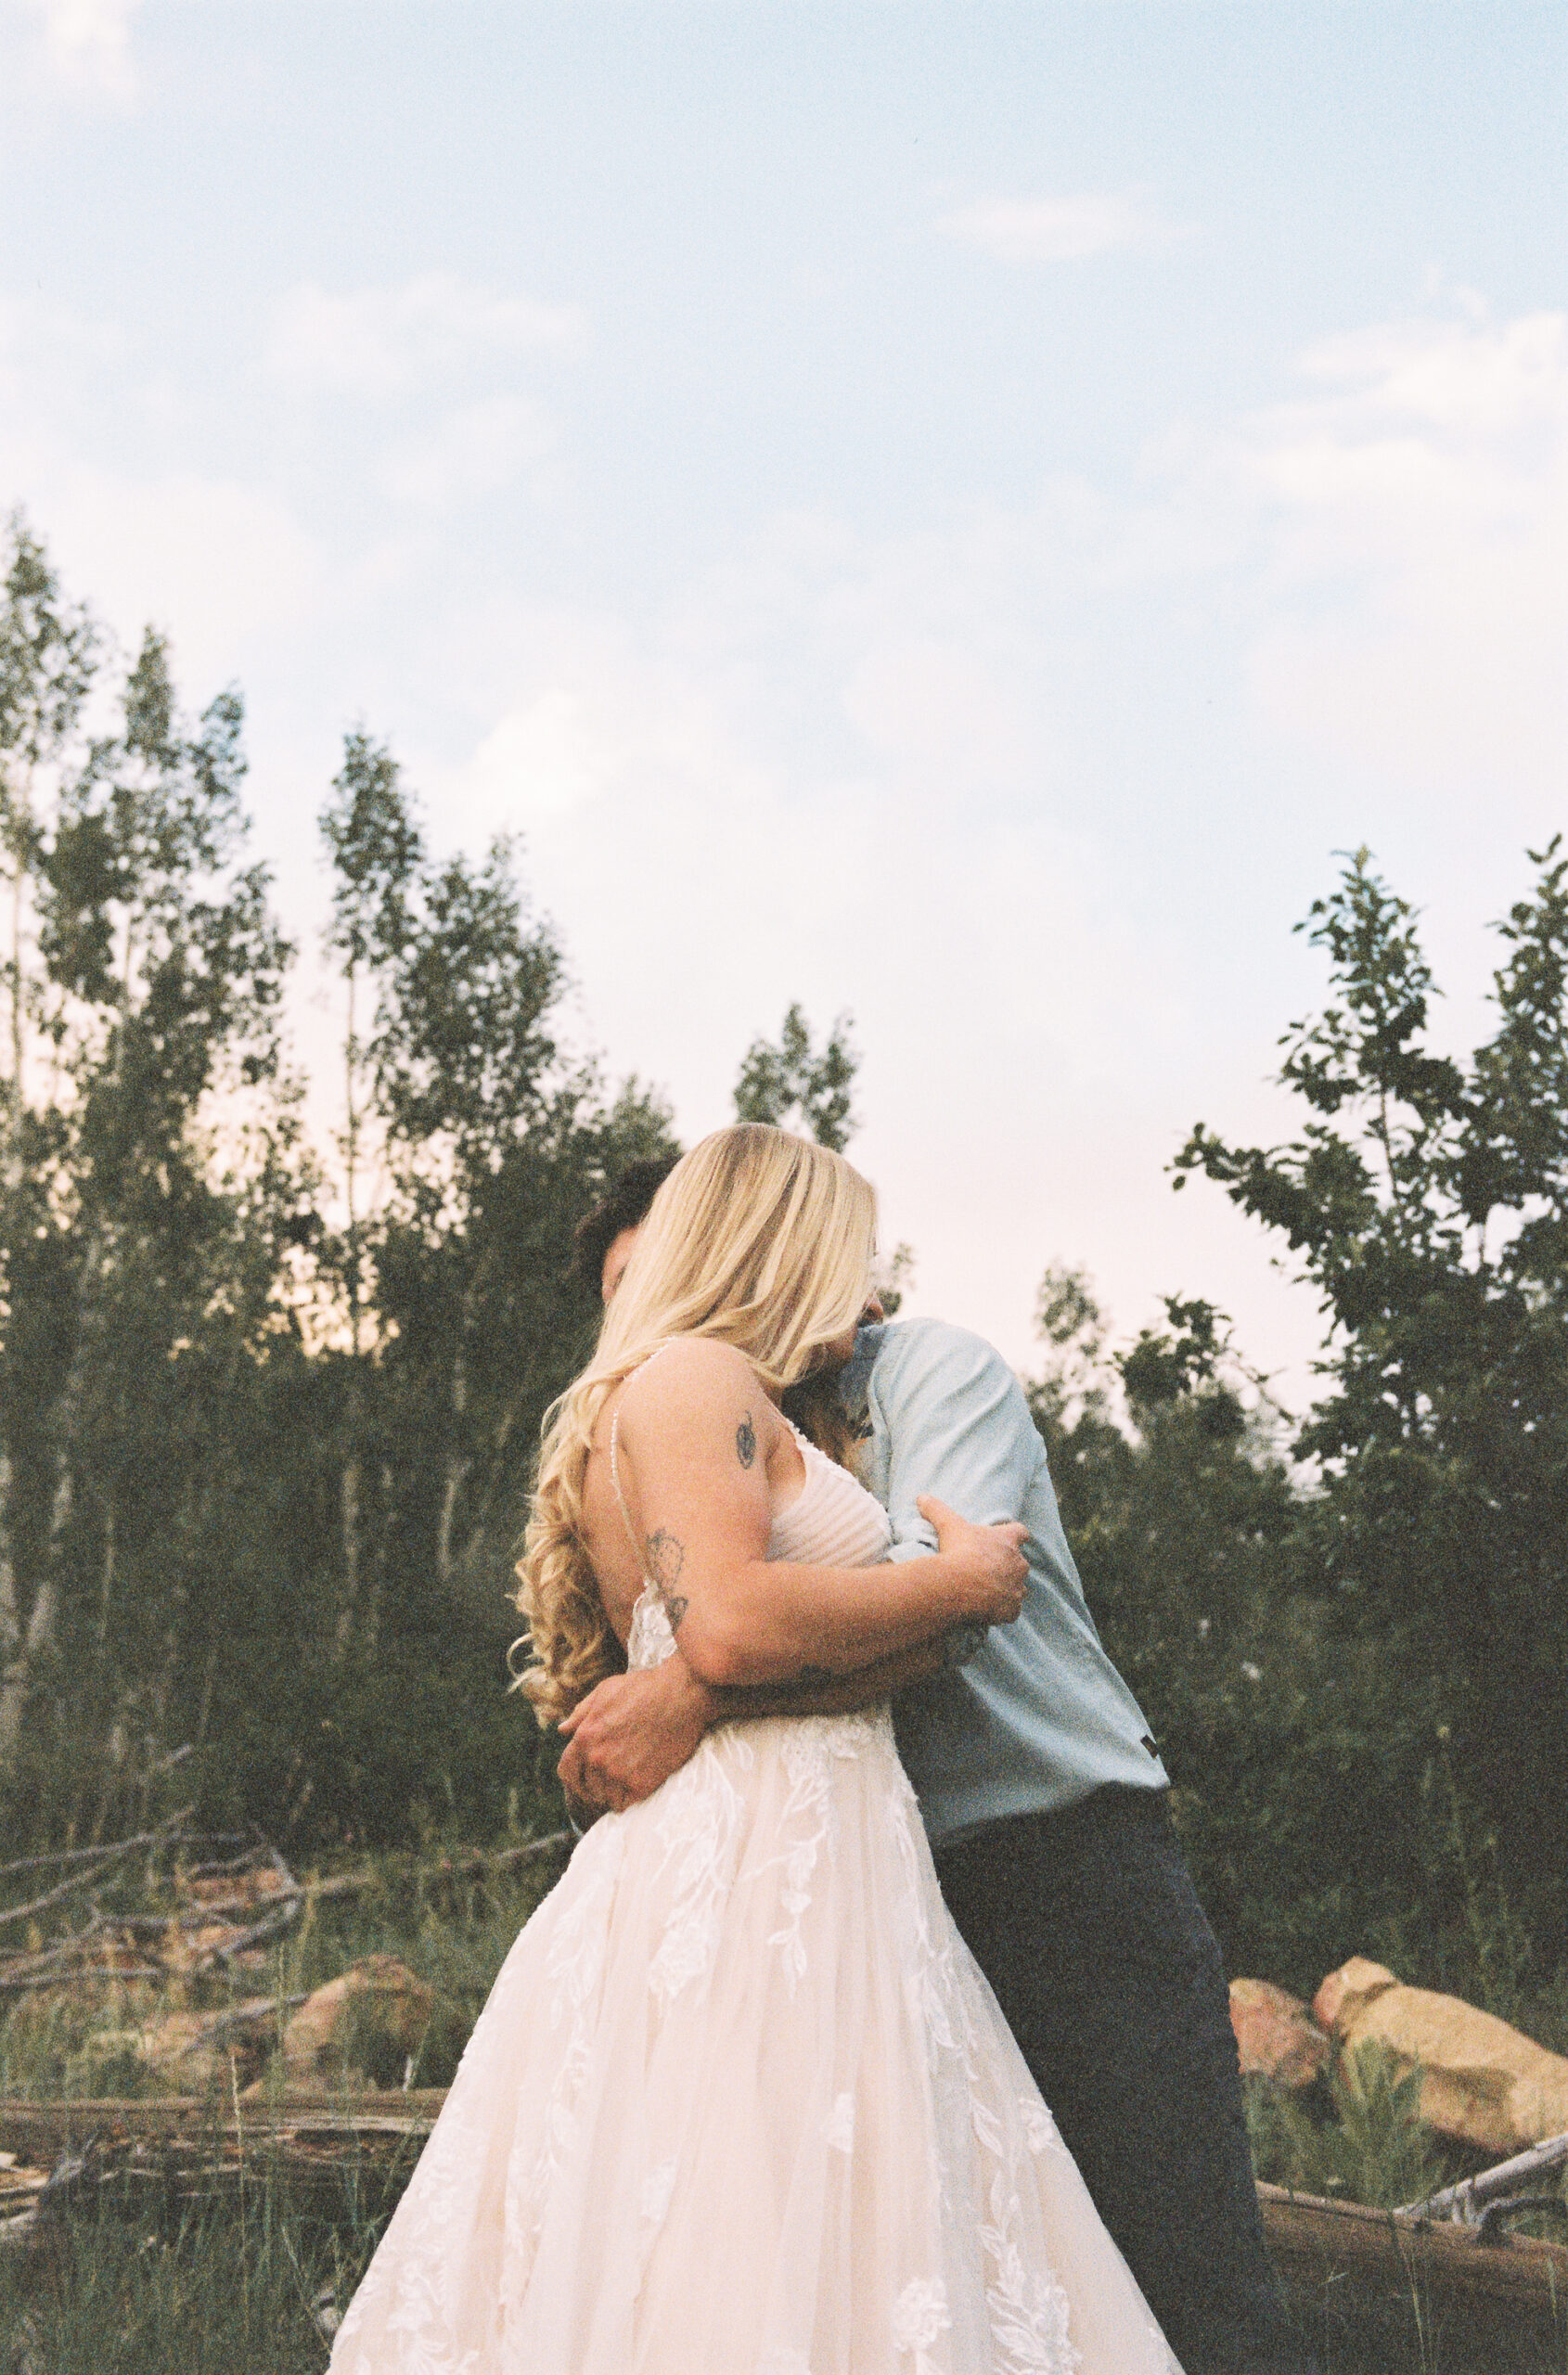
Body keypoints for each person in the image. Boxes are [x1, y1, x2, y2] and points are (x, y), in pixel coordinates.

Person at [330, 1124, 1181, 2374]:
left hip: (818, 1844)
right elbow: (725, 1628)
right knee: (740, 2218)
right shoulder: (691, 1381)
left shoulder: (706, 1391)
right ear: (779, 1248)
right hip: (759, 1856)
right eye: (851, 1255)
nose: (873, 1291)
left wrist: (953, 1595)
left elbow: (739, 1658)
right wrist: (960, 1581)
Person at [559, 1174, 1310, 2375]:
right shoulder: (692, 1415)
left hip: (1057, 1868)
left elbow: (947, 1600)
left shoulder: (934, 1371)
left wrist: (696, 1687)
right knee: (937, 2296)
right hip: (849, 1903)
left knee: (1178, 2279)